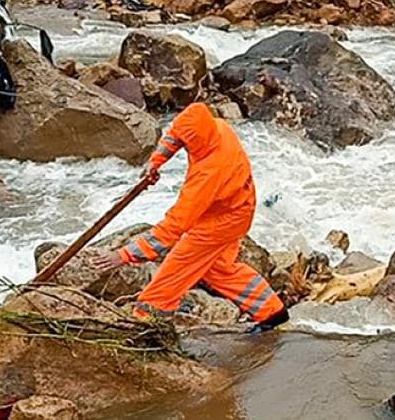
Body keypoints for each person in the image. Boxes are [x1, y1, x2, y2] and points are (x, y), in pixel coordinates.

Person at [92, 102, 289, 332]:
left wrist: (124, 255)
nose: (183, 147)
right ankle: (273, 312)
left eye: (187, 145)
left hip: (223, 220)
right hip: (238, 206)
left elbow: (174, 226)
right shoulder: (217, 127)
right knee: (220, 269)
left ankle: (148, 320)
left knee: (176, 268)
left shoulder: (209, 173)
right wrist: (155, 162)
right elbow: (177, 133)